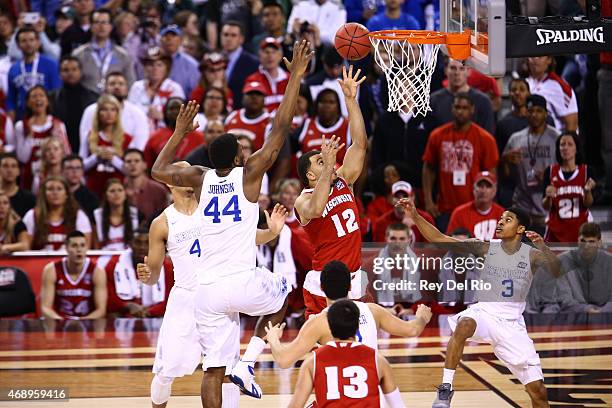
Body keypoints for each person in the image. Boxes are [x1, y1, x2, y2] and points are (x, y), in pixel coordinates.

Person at [150, 40, 312, 405]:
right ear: (240, 155)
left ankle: (235, 369)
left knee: (212, 370)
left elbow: (158, 170)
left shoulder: (199, 179)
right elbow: (281, 128)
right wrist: (295, 77)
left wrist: (179, 132)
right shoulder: (248, 175)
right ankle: (249, 362)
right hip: (242, 280)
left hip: (205, 292)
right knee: (284, 292)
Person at [137, 161, 288, 408]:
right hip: (185, 299)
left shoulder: (212, 205)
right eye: (182, 174)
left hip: (216, 291)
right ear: (170, 180)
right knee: (166, 372)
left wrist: (271, 232)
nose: (187, 179)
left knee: (226, 372)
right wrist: (147, 276)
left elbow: (252, 237)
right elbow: (153, 276)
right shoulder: (162, 223)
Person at [397, 199, 560, 408]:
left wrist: (544, 248)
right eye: (500, 219)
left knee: (539, 393)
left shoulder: (531, 255)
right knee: (464, 324)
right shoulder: (485, 248)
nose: (500, 223)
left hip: (512, 325)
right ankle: (446, 389)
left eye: (507, 220)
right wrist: (416, 216)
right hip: (485, 313)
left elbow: (557, 271)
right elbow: (440, 239)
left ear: (520, 228)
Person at [294, 65, 369, 318]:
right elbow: (316, 209)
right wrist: (328, 168)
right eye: (320, 161)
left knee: (355, 342)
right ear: (310, 175)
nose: (327, 161)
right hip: (322, 281)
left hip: (353, 276)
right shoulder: (302, 200)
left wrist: (351, 100)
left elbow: (359, 144)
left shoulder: (344, 180)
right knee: (319, 344)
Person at [266, 259, 431, 365]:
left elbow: (284, 359)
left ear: (322, 288)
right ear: (351, 286)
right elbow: (412, 329)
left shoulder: (317, 322)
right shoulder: (373, 311)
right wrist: (421, 317)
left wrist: (273, 338)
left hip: (339, 400)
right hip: (371, 398)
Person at [286, 299, 405, 408]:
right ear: (357, 326)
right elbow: (398, 406)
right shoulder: (377, 360)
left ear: (330, 327)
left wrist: (274, 340)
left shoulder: (313, 361)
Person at [422, 92, 499, 231]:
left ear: (472, 109)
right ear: (452, 108)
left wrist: (487, 203)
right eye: (457, 107)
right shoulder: (437, 135)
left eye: (465, 108)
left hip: (473, 207)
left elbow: (491, 175)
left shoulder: (485, 139)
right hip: (444, 208)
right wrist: (428, 201)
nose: (460, 111)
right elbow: (429, 168)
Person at [502, 94, 560, 235]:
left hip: (547, 208)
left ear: (546, 113)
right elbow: (506, 176)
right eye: (531, 111)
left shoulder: (557, 138)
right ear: (526, 112)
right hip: (522, 207)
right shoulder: (516, 138)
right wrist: (506, 161)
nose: (534, 114)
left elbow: (566, 172)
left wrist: (548, 177)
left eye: (539, 111)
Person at [98, 227, 174, 317]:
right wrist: (127, 306)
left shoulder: (167, 267)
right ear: (130, 244)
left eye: (147, 243)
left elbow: (171, 299)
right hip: (125, 316)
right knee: (112, 315)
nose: (142, 247)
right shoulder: (114, 265)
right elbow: (109, 299)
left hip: (156, 316)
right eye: (138, 242)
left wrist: (150, 312)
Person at [256, 206, 313, 316]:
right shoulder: (256, 245)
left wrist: (307, 304)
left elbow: (313, 268)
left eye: (269, 230)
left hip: (300, 306)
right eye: (263, 231)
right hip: (274, 307)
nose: (268, 237)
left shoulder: (297, 240)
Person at [14, 85, 71, 190]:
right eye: (34, 96)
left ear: (48, 101)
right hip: (29, 177)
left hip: (54, 177)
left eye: (41, 95)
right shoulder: (21, 126)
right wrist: (29, 136)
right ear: (27, 103)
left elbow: (67, 154)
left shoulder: (58, 124)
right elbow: (22, 158)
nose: (38, 99)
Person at [40, 230, 107, 319]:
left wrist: (81, 322)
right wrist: (62, 322)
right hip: (60, 322)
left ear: (87, 248)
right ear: (66, 248)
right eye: (74, 246)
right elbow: (45, 308)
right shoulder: (51, 270)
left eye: (82, 245)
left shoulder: (97, 272)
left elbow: (101, 311)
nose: (79, 250)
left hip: (87, 323)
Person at [543, 132, 595, 243]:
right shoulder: (550, 171)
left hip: (581, 230)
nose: (565, 147)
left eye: (570, 144)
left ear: (576, 149)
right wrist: (548, 197)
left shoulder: (586, 171)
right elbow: (546, 206)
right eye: (562, 144)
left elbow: (588, 204)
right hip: (555, 231)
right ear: (558, 149)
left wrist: (587, 191)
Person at [81, 94, 136, 198]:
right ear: (98, 114)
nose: (109, 114)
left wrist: (113, 159)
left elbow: (131, 169)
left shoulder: (127, 139)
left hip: (119, 191)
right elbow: (81, 166)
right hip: (93, 190)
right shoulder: (89, 136)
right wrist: (96, 158)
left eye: (113, 109)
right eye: (104, 110)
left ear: (117, 113)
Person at [80, 71, 149, 151]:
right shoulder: (90, 111)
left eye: (121, 84)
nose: (116, 87)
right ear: (105, 88)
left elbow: (140, 145)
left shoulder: (138, 113)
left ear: (127, 89)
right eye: (112, 84)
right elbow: (84, 143)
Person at [73, 9, 135, 94]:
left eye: (105, 22)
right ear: (91, 26)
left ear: (111, 27)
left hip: (114, 104)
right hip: (86, 103)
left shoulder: (123, 55)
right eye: (97, 22)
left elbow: (130, 84)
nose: (101, 26)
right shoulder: (78, 54)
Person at [23, 175, 93, 250]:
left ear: (66, 194)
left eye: (59, 189)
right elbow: (25, 248)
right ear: (44, 194)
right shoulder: (32, 216)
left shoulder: (79, 215)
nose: (55, 193)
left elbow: (85, 249)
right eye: (50, 189)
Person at [427, 58, 495, 134]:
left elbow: (488, 136)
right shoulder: (433, 101)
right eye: (453, 68)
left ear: (469, 71)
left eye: (462, 68)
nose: (457, 73)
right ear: (445, 70)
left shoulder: (483, 101)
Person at [7, 27, 61, 121]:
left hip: (47, 118)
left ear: (38, 42)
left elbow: (56, 93)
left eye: (31, 40)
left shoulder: (51, 64)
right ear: (18, 45)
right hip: (23, 119)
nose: (28, 44)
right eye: (24, 41)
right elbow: (11, 98)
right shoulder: (13, 69)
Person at [557, 222, 612, 313]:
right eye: (583, 241)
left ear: (599, 243)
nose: (586, 246)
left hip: (606, 315)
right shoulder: (562, 261)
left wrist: (602, 312)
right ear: (578, 240)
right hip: (573, 314)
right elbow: (564, 298)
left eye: (591, 241)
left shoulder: (609, 262)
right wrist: (585, 309)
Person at [128, 47, 185, 130]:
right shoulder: (137, 87)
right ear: (144, 67)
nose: (155, 68)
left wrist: (162, 117)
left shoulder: (174, 88)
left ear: (166, 68)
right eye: (150, 65)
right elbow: (129, 114)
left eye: (159, 65)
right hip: (139, 133)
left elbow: (182, 119)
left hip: (166, 136)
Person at [50, 56, 99, 153]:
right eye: (66, 70)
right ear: (59, 74)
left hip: (87, 145)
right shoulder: (51, 98)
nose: (70, 73)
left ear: (80, 72)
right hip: (60, 147)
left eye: (74, 69)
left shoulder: (94, 98)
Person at [143, 97, 204, 169]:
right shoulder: (154, 138)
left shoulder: (200, 137)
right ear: (165, 113)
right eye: (171, 109)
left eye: (179, 108)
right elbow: (147, 166)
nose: (175, 112)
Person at [294, 88, 351, 163]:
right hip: (309, 173)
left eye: (331, 102)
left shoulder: (348, 127)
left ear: (338, 106)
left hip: (338, 173)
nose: (327, 105)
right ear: (316, 105)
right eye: (323, 102)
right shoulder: (306, 124)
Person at [446, 171, 505, 241]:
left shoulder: (502, 214)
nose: (483, 190)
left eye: (488, 186)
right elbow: (449, 243)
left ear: (494, 190)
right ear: (473, 189)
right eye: (480, 186)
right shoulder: (459, 213)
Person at [526, 56, 578, 132]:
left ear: (549, 60)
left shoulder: (559, 86)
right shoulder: (525, 83)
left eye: (540, 56)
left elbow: (571, 123)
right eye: (532, 56)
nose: (535, 59)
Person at [220, 21, 259, 110]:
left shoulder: (253, 63)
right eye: (225, 35)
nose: (228, 39)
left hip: (241, 111)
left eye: (233, 35)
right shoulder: (213, 60)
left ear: (241, 39)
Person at [123, 148, 169, 222]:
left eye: (137, 161)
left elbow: (165, 218)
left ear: (144, 165)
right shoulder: (118, 189)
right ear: (123, 166)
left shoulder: (158, 189)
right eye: (128, 161)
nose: (132, 164)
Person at [94, 179, 140, 250]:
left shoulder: (136, 214)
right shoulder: (97, 216)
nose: (116, 194)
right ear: (106, 195)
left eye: (120, 190)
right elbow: (96, 245)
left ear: (125, 194)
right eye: (112, 191)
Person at [224, 80, 271, 150]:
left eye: (258, 94)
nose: (254, 97)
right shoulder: (232, 116)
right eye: (250, 93)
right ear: (242, 98)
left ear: (264, 100)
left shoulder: (270, 122)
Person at [245, 37, 289, 112]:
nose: (270, 56)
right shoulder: (252, 80)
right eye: (266, 52)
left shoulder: (290, 78)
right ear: (260, 55)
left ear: (280, 55)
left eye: (273, 52)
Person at [159, 24, 200, 98]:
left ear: (180, 40)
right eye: (166, 36)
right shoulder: (151, 62)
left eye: (173, 36)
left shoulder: (192, 65)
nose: (169, 39)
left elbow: (195, 94)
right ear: (160, 40)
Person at [61, 154, 98, 222]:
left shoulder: (91, 198)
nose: (74, 172)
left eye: (78, 168)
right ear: (62, 171)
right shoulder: (56, 194)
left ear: (82, 171)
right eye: (70, 168)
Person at [0, 152, 35, 217]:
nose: (9, 170)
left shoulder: (30, 199)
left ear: (18, 171)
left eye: (13, 166)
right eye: (5, 166)